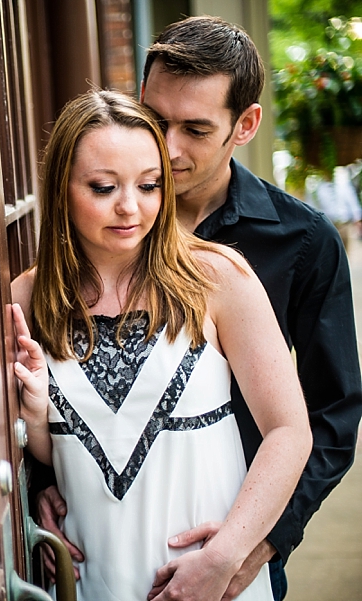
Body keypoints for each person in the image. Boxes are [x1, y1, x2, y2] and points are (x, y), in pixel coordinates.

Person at [31, 16, 362, 601]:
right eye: (156, 120)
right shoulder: (67, 256)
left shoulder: (301, 243)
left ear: (245, 125)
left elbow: (328, 418)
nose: (170, 146)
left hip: (229, 542)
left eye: (196, 129)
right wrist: (43, 481)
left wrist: (255, 546)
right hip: (98, 548)